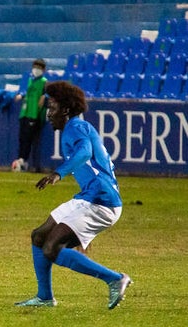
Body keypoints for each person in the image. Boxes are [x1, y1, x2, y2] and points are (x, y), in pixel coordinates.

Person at [16, 80, 131, 309]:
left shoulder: (75, 128)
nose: (49, 113)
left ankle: (115, 279)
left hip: (100, 202)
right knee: (39, 236)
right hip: (89, 197)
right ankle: (44, 297)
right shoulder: (77, 127)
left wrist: (58, 173)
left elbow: (84, 152)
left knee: (51, 248)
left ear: (66, 109)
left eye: (52, 107)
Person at [11, 58, 49, 172]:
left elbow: (49, 94)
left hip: (35, 114)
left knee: (29, 139)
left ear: (43, 70)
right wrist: (20, 95)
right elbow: (22, 90)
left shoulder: (44, 82)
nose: (36, 69)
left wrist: (45, 96)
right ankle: (21, 159)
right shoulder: (28, 79)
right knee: (22, 138)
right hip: (24, 112)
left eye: (39, 67)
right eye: (35, 67)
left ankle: (25, 161)